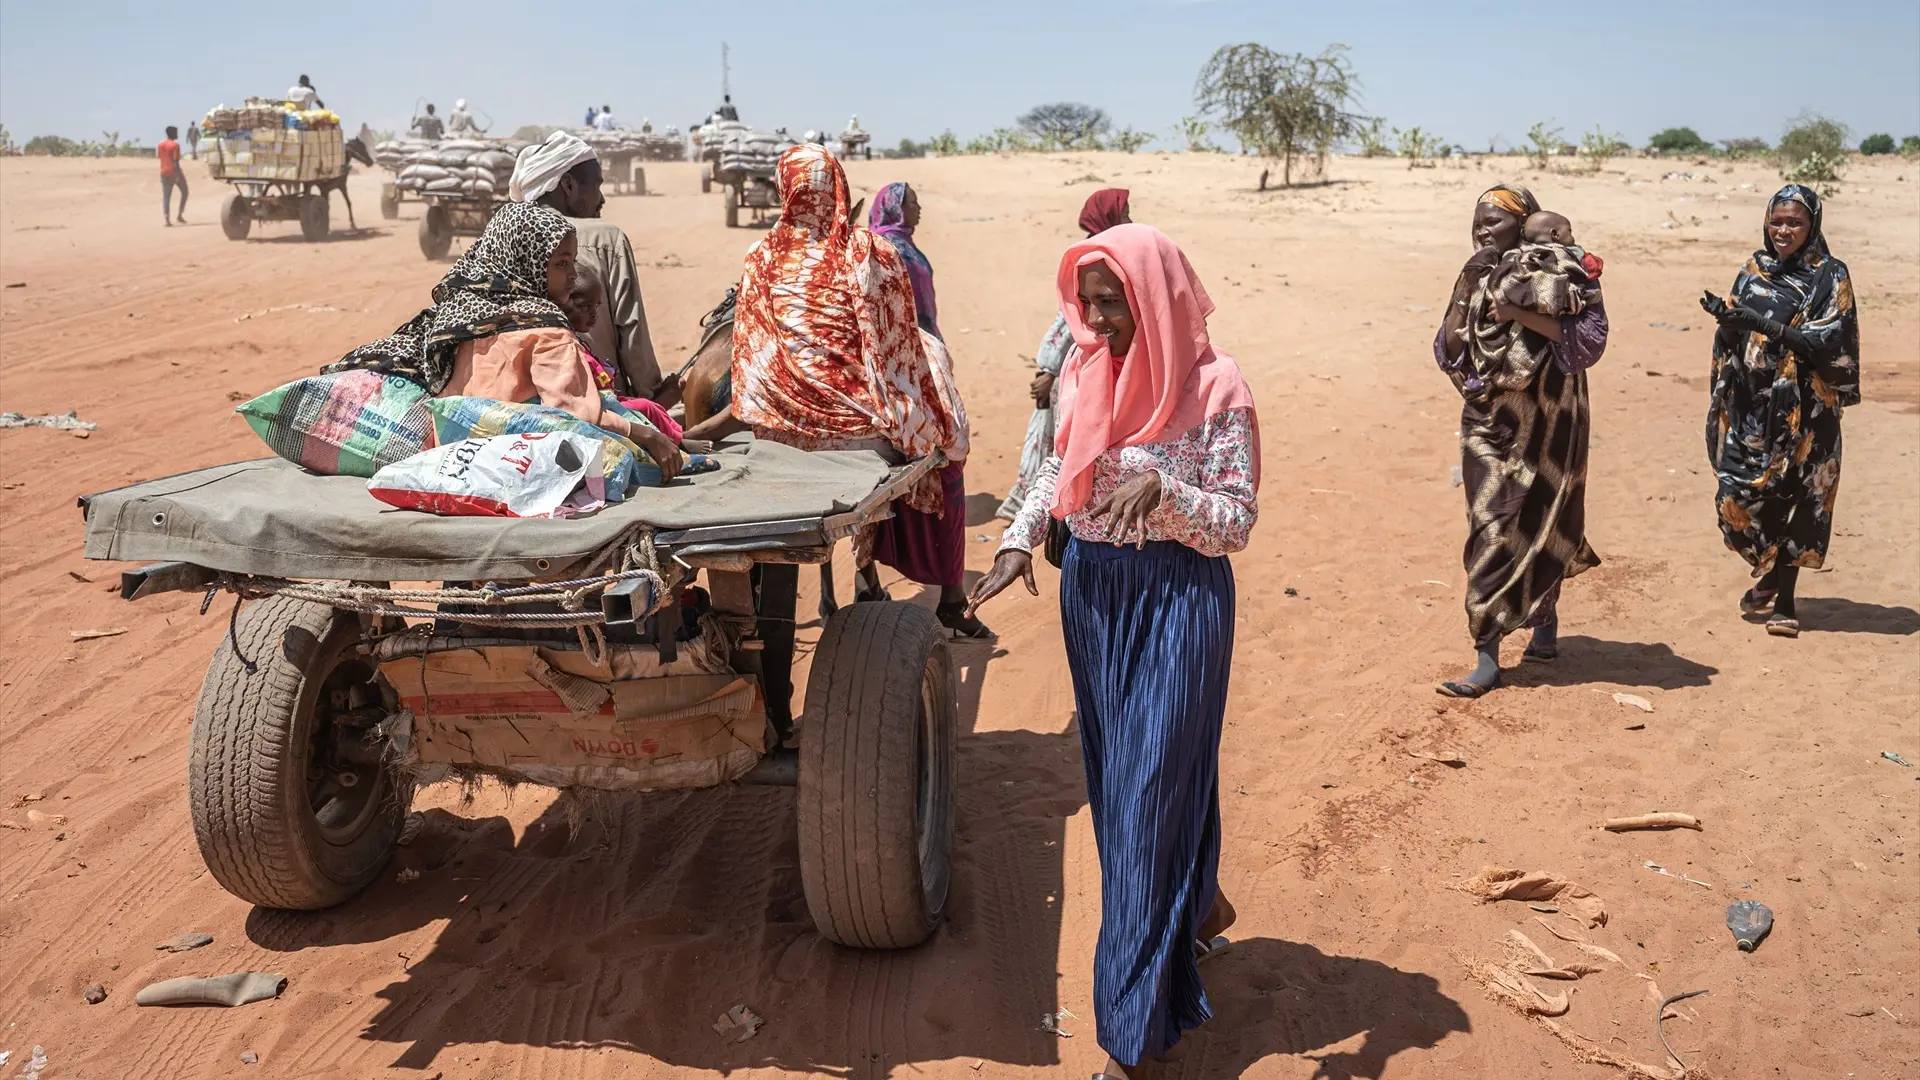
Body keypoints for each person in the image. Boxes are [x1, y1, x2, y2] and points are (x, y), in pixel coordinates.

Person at [966, 223, 1258, 1080]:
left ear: (1158, 297)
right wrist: (1021, 539)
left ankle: (1133, 1039)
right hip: (1094, 598)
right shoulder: (1082, 372)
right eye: (1086, 305)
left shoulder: (1218, 386)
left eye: (1112, 304)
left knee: (1140, 802)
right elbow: (1056, 477)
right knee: (1130, 779)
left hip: (1179, 598)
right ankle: (1197, 905)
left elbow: (1235, 520)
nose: (1096, 321)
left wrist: (1164, 491)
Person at [728, 145, 976, 631]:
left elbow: (750, 367)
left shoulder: (758, 258)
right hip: (862, 435)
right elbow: (897, 353)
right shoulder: (869, 251)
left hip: (779, 439)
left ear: (785, 190)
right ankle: (950, 592)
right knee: (951, 439)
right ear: (838, 186)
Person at [323, 202, 682, 477]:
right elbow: (575, 414)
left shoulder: (458, 314)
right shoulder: (546, 329)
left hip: (452, 459)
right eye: (561, 264)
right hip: (511, 462)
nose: (573, 276)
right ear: (525, 262)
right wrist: (647, 436)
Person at [1433, 185, 1608, 697]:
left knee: (1543, 518)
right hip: (1490, 423)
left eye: (1493, 221)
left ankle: (1544, 623)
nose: (1482, 229)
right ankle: (1486, 653)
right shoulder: (1475, 273)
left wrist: (1518, 315)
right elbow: (1447, 346)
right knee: (1490, 526)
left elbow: (1589, 340)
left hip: (1552, 422)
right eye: (1477, 220)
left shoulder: (1561, 269)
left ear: (1524, 224)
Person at [1699, 184, 1859, 637]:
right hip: (1754, 406)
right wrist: (1728, 323)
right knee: (1738, 496)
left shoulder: (1831, 275)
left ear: (1813, 226)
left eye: (1795, 222)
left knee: (1798, 498)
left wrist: (1764, 326)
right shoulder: (1753, 271)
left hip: (1808, 410)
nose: (1783, 230)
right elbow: (1735, 338)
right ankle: (1769, 572)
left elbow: (1831, 341)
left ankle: (1784, 601)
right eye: (1777, 221)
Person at [998, 187, 1132, 519]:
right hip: (1083, 369)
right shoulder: (1093, 260)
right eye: (1125, 211)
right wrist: (1050, 371)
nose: (1129, 218)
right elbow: (1068, 321)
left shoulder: (1126, 255)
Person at [508, 130, 664, 401]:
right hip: (599, 403)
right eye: (597, 186)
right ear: (568, 185)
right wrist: (652, 397)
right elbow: (631, 329)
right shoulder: (605, 237)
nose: (602, 199)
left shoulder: (503, 233)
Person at [868, 182, 939, 337]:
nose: (919, 208)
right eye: (913, 203)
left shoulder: (904, 241)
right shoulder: (885, 245)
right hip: (901, 335)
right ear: (896, 207)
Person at [158, 126, 187, 226]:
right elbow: (175, 162)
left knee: (166, 197)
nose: (177, 134)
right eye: (176, 132)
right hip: (174, 173)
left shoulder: (160, 145)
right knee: (185, 192)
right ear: (172, 133)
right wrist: (178, 175)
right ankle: (179, 215)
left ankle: (167, 219)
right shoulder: (175, 145)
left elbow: (160, 157)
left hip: (163, 172)